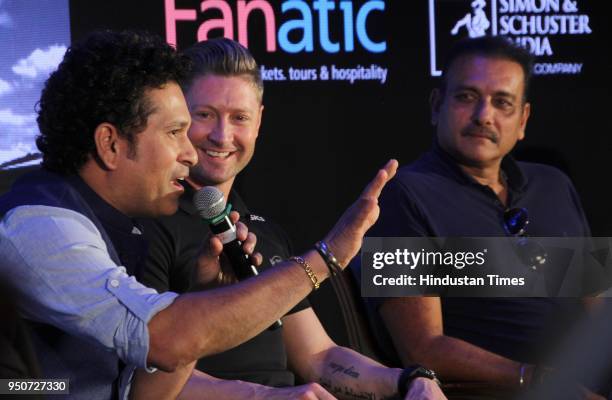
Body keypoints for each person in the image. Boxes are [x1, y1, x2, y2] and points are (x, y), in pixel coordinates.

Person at [0, 30, 398, 400]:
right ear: (109, 143)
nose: (192, 151)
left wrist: (200, 293)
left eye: (239, 117)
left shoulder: (107, 222)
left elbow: (145, 388)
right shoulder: (43, 226)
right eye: (177, 131)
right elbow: (164, 340)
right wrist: (328, 257)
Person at [135, 37, 446, 400]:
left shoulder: (263, 233)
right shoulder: (146, 223)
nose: (222, 135)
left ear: (259, 122)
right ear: (179, 118)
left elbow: (318, 355)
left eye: (239, 118)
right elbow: (143, 381)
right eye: (204, 115)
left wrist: (410, 380)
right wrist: (267, 397)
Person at [352, 36, 600, 398]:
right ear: (437, 106)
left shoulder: (554, 184)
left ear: (523, 120)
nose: (484, 115)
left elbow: (598, 309)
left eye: (502, 102)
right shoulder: (402, 195)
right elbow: (422, 349)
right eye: (466, 97)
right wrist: (539, 380)